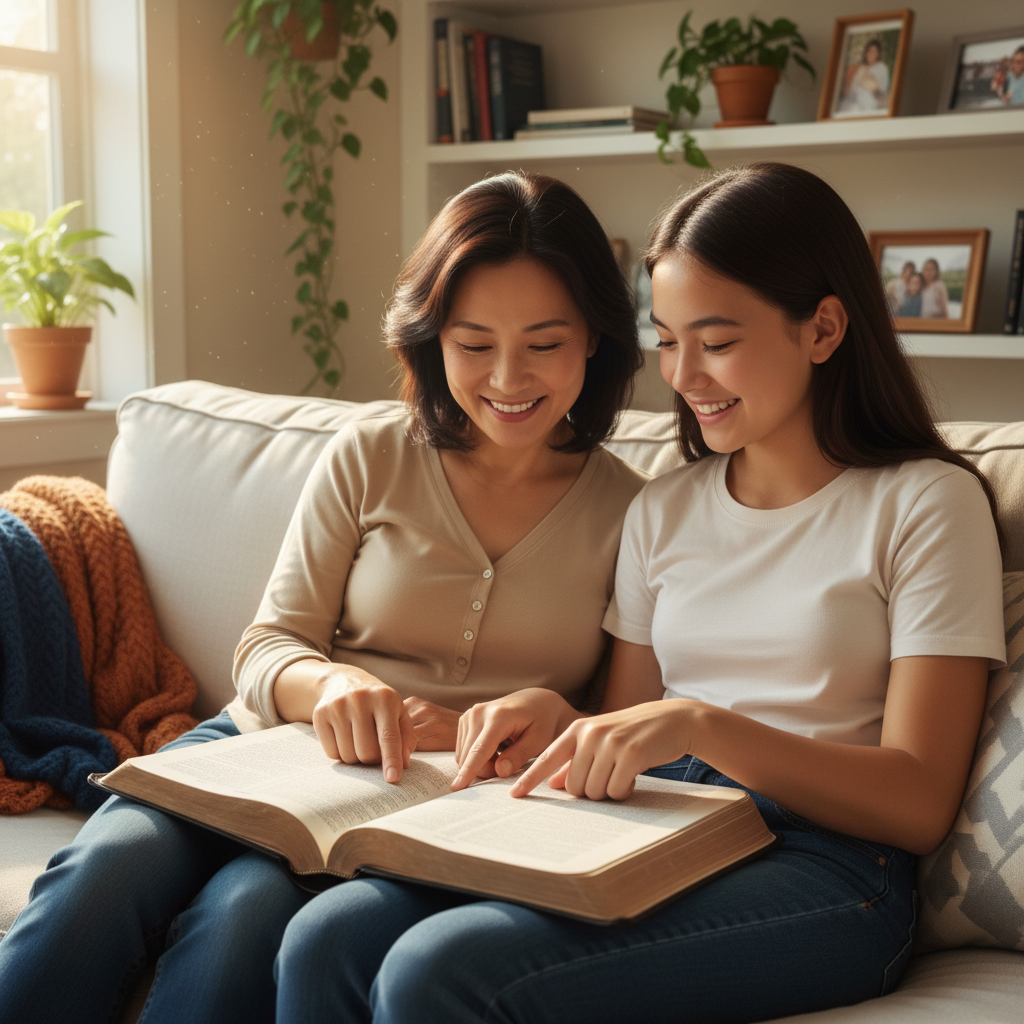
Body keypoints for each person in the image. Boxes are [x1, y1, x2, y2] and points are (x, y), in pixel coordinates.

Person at [274, 162, 1006, 1024]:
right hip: (658, 820)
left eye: (717, 341)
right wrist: (559, 720)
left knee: (440, 972)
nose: (684, 375)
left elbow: (918, 802)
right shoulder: (663, 509)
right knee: (327, 937)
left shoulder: (926, 504)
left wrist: (701, 725)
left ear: (823, 328)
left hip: (829, 867)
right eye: (668, 340)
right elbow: (621, 730)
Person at [0, 171, 647, 1024]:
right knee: (103, 869)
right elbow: (267, 646)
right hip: (265, 746)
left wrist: (518, 722)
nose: (507, 376)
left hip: (435, 799)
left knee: (243, 917)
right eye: (473, 343)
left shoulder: (636, 512)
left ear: (594, 336)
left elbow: (623, 721)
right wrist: (334, 685)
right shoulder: (371, 453)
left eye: (544, 342)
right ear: (433, 339)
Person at [839, 38, 890, 113]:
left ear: (878, 54)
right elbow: (847, 88)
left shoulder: (881, 67)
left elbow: (881, 92)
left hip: (867, 104)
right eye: (868, 51)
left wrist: (874, 87)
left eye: (873, 51)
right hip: (849, 102)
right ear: (865, 53)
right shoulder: (858, 67)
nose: (870, 54)